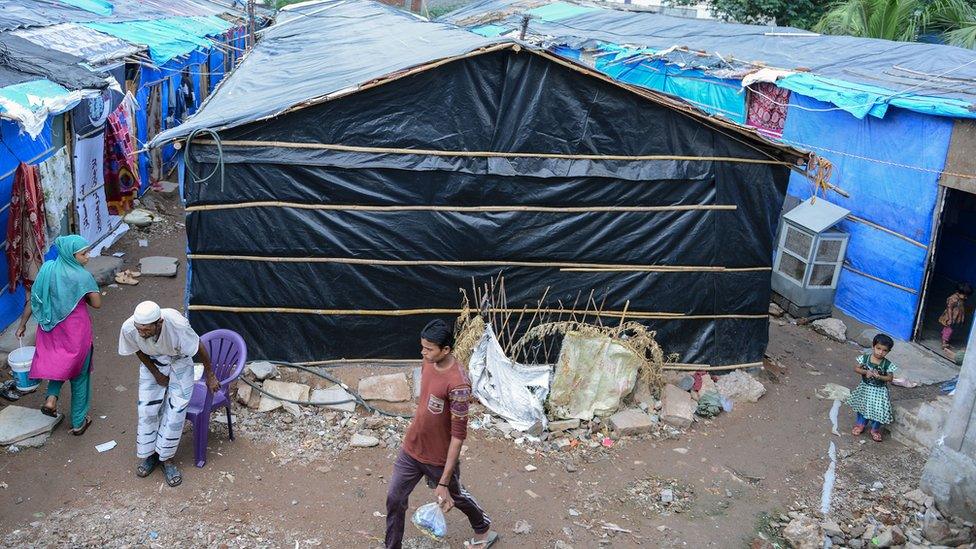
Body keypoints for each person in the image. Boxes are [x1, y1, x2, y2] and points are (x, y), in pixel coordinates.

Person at [385, 319, 497, 549]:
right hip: (412, 448)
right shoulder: (428, 362)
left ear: (446, 350)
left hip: (438, 458)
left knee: (456, 496)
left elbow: (458, 436)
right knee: (394, 500)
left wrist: (443, 482)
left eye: (429, 348)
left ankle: (483, 527)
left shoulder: (458, 385)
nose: (423, 352)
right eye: (422, 347)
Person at [118, 301, 219, 487]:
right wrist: (156, 373)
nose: (141, 333)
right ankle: (150, 455)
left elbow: (199, 347)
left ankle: (166, 458)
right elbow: (137, 350)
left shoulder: (177, 325)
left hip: (180, 359)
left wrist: (210, 375)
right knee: (147, 409)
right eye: (139, 329)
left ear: (159, 323)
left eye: (146, 330)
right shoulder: (129, 328)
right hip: (152, 361)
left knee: (175, 410)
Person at [14, 235, 100, 435]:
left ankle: (51, 399)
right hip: (76, 332)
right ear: (71, 255)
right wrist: (81, 295)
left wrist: (22, 325)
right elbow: (97, 303)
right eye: (83, 253)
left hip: (51, 330)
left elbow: (35, 299)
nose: (88, 256)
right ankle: (79, 422)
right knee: (79, 375)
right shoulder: (82, 277)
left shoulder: (47, 268)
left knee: (59, 364)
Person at [847, 333, 898, 442]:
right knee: (862, 407)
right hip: (865, 388)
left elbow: (890, 378)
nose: (880, 352)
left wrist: (880, 376)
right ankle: (860, 425)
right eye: (878, 348)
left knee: (879, 411)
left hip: (879, 391)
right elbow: (856, 368)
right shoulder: (865, 358)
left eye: (884, 350)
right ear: (873, 346)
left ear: (888, 351)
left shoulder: (887, 364)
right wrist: (865, 372)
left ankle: (875, 429)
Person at [938, 283, 972, 350]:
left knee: (950, 329)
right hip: (951, 317)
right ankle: (944, 343)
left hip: (956, 317)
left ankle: (945, 337)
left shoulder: (961, 299)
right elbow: (949, 308)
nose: (966, 297)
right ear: (958, 292)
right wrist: (950, 319)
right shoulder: (953, 299)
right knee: (949, 330)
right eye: (965, 296)